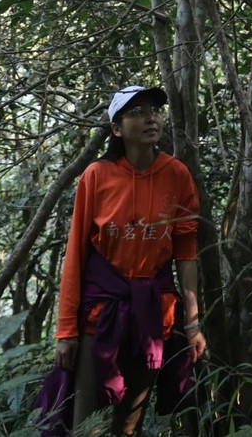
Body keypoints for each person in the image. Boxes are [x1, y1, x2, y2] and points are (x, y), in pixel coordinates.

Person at [38, 84, 206, 436]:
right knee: (85, 424)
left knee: (128, 426)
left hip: (154, 316)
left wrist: (192, 323)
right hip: (100, 317)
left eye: (155, 111)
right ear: (116, 128)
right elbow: (76, 254)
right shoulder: (97, 176)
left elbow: (186, 254)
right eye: (137, 112)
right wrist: (65, 331)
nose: (150, 118)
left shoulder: (176, 174)